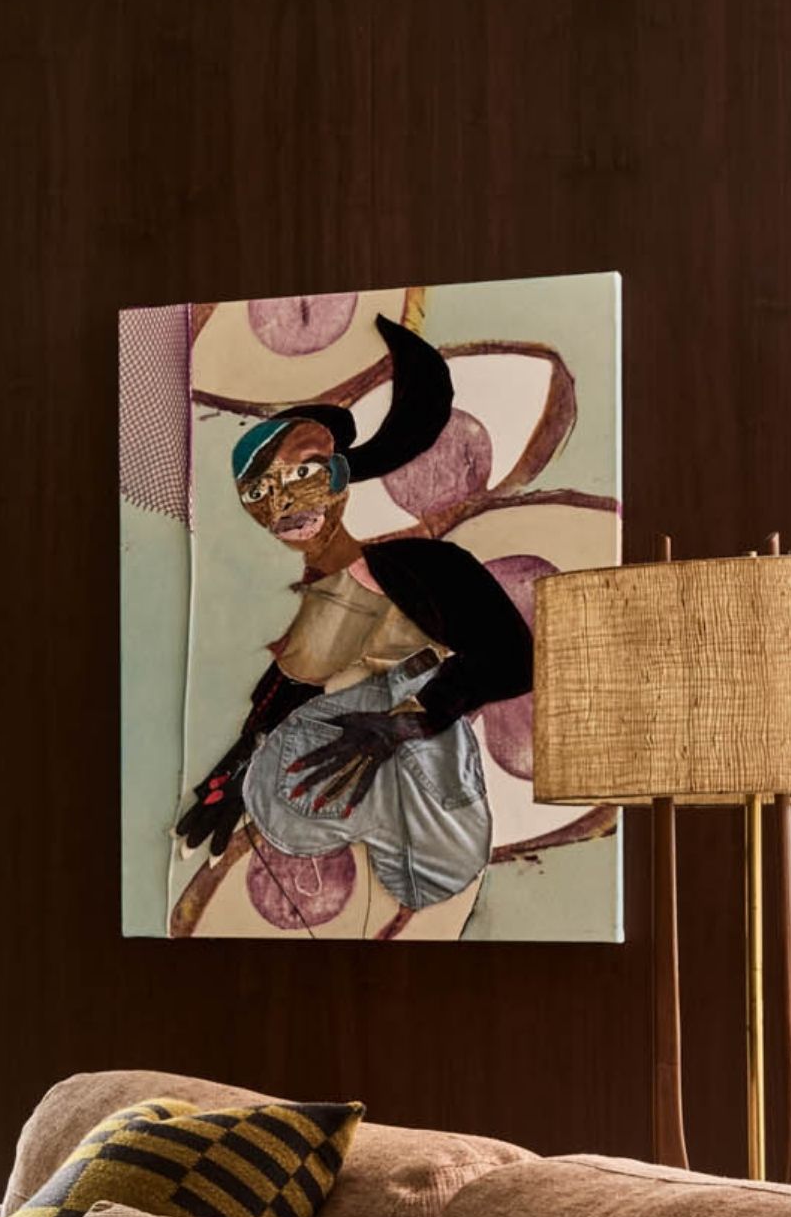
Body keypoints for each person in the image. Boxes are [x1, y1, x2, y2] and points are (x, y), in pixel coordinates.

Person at [177, 315, 532, 922]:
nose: (284, 505)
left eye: (302, 475)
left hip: (429, 797)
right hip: (339, 817)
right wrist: (234, 773)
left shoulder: (427, 568)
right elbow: (289, 693)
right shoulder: (317, 599)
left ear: (340, 479)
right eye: (260, 493)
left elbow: (514, 659)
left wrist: (411, 720)